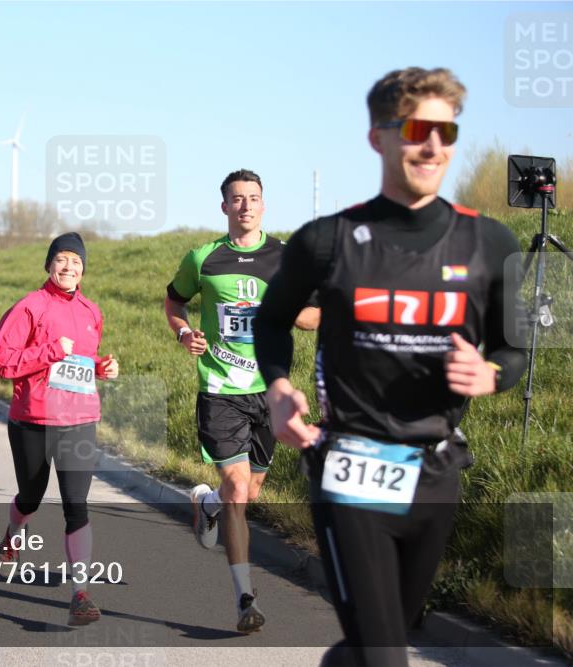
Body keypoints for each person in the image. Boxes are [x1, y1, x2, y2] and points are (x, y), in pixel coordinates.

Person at [253, 67, 527, 667]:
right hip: (349, 463)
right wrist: (278, 388)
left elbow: (518, 350)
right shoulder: (326, 240)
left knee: (385, 636)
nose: (433, 146)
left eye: (447, 132)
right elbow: (270, 320)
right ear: (378, 136)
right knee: (383, 654)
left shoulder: (491, 244)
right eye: (417, 128)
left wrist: (493, 375)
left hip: (436, 471)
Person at [164, 169, 319, 634]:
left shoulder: (286, 257)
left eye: (253, 198)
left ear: (264, 205)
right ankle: (244, 599)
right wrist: (185, 332)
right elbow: (174, 304)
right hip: (220, 390)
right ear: (225, 207)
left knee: (248, 493)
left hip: (267, 391)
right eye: (237, 199)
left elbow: (312, 315)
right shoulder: (204, 258)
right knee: (237, 490)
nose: (246, 205)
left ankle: (206, 504)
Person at [0, 232, 119, 627]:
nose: (69, 268)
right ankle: (13, 532)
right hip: (32, 419)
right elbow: (1, 361)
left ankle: (80, 594)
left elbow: (78, 361)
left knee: (76, 504)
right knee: (30, 496)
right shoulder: (30, 307)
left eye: (76, 262)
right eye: (62, 260)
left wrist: (100, 367)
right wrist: (49, 351)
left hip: (79, 419)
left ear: (84, 269)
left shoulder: (91, 311)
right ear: (49, 265)